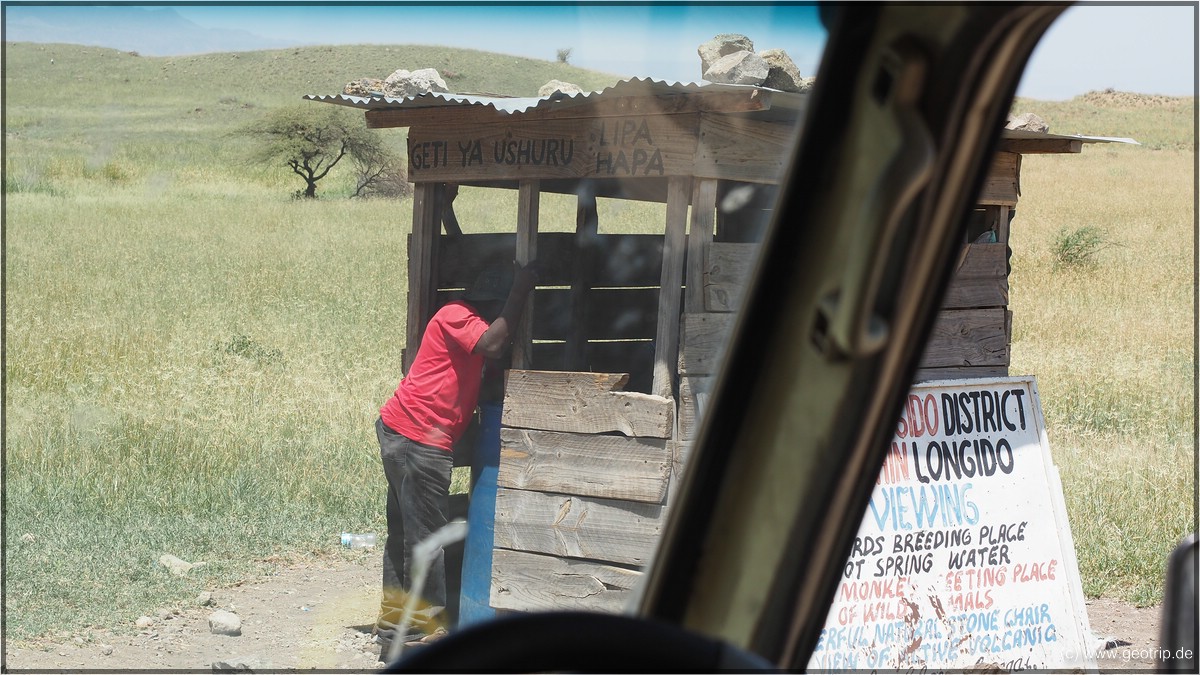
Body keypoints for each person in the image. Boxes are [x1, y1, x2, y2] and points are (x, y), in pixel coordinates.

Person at [373, 260, 537, 655]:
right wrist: (521, 290)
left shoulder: (467, 326)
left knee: (405, 536)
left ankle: (398, 630)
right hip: (418, 441)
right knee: (427, 539)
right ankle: (424, 635)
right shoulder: (457, 315)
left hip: (402, 432)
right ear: (491, 304)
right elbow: (495, 343)